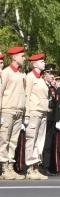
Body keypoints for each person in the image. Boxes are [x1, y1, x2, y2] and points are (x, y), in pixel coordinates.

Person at [0, 46, 27, 180]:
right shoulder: (6, 73)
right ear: (14, 57)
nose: (24, 58)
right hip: (7, 110)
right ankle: (4, 167)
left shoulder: (22, 74)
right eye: (22, 56)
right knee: (4, 139)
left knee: (13, 140)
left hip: (18, 110)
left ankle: (10, 165)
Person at [24, 53, 50, 180]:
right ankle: (30, 168)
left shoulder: (40, 78)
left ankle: (36, 167)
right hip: (34, 111)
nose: (43, 63)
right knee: (31, 139)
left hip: (43, 112)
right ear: (34, 64)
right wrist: (27, 114)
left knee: (40, 141)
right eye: (41, 61)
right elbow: (27, 95)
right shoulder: (30, 77)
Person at [41, 63, 58, 176]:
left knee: (48, 144)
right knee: (40, 144)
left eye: (53, 74)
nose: (52, 76)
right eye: (50, 73)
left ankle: (46, 167)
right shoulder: (42, 85)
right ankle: (38, 166)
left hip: (51, 117)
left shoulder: (53, 88)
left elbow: (56, 105)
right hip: (43, 116)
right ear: (45, 74)